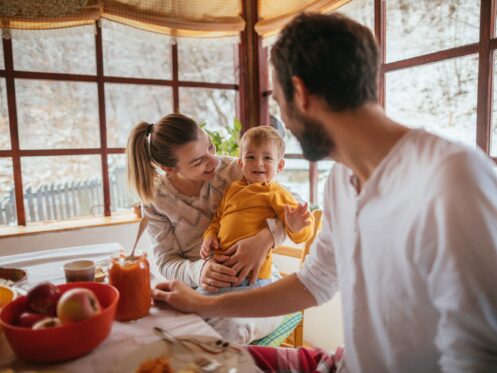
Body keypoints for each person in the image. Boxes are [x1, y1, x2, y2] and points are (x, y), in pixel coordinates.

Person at [152, 12, 497, 373]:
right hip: (342, 365)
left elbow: (480, 359)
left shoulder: (451, 178)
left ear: (299, 93)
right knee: (185, 361)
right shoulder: (341, 180)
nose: (282, 118)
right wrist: (204, 305)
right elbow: (314, 282)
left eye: (279, 104)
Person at [126, 113, 288, 343]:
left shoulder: (235, 170)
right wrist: (200, 271)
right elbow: (166, 261)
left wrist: (264, 240)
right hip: (204, 290)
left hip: (258, 284)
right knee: (157, 327)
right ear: (168, 168)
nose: (213, 161)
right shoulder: (156, 199)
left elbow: (295, 209)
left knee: (221, 332)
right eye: (198, 161)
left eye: (210, 147)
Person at [200, 126, 315, 291]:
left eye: (267, 158)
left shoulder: (274, 192)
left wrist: (296, 226)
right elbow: (217, 221)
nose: (258, 163)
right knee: (191, 310)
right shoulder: (232, 189)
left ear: (280, 166)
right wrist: (209, 236)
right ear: (241, 163)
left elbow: (302, 230)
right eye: (251, 157)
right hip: (222, 272)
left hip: (253, 277)